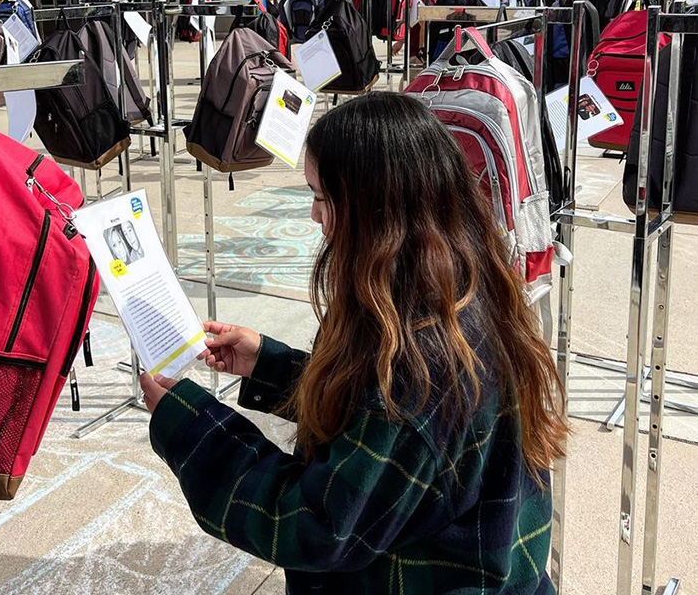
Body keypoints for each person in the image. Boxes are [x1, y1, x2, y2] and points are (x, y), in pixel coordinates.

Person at [140, 92, 567, 595]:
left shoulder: (419, 362)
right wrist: (270, 365)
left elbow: (322, 524)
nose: (314, 216)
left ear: (374, 210)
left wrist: (190, 425)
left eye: (321, 197)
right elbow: (371, 424)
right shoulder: (459, 285)